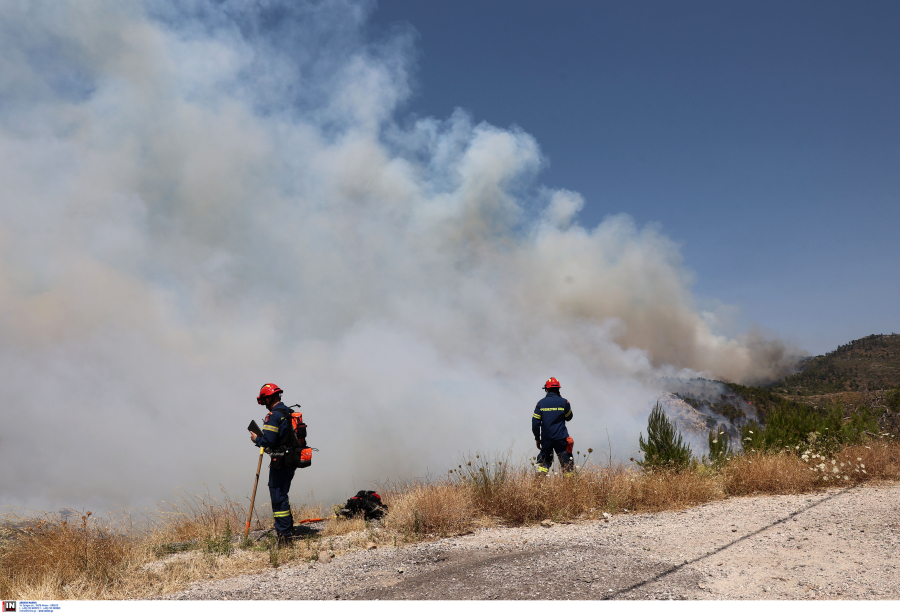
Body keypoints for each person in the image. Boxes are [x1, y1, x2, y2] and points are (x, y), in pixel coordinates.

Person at [249, 383, 297, 545]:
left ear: (268, 399)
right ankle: (288, 528)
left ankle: (284, 536)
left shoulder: (273, 416)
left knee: (278, 496)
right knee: (282, 493)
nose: (264, 405)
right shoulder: (288, 412)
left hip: (280, 460)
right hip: (290, 459)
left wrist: (257, 439)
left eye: (264, 401)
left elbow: (268, 441)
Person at [532, 377, 574, 474]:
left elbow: (535, 424)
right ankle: (569, 482)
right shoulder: (564, 402)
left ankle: (540, 480)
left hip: (546, 439)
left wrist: (537, 438)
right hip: (561, 438)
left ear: (546, 389)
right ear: (558, 389)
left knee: (544, 463)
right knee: (567, 464)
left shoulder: (541, 403)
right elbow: (569, 417)